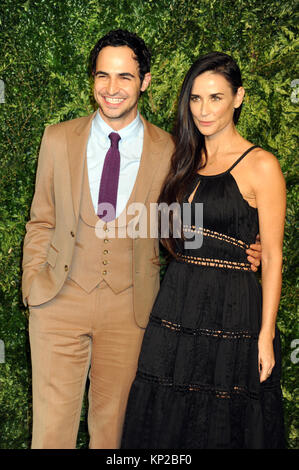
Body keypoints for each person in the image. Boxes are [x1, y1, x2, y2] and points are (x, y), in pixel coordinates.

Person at [22, 30, 261, 449]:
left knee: (115, 434)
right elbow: (40, 220)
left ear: (145, 82)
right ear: (92, 79)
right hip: (57, 303)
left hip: (131, 311)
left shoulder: (172, 152)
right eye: (103, 76)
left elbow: (185, 226)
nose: (112, 89)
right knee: (49, 434)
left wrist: (242, 251)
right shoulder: (57, 139)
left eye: (125, 77)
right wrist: (34, 288)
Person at [121, 52, 286, 449]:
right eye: (195, 99)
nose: (204, 109)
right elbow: (164, 230)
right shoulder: (180, 159)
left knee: (224, 420)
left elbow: (276, 257)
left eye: (215, 98)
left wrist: (264, 338)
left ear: (238, 97)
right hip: (176, 304)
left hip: (233, 313)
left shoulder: (261, 165)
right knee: (164, 416)